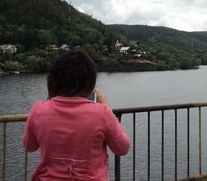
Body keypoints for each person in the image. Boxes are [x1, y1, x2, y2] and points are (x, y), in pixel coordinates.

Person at [23, 50, 130, 181]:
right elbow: (122, 148)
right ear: (89, 82)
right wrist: (107, 108)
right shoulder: (102, 113)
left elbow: (30, 146)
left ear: (54, 80)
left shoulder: (38, 110)